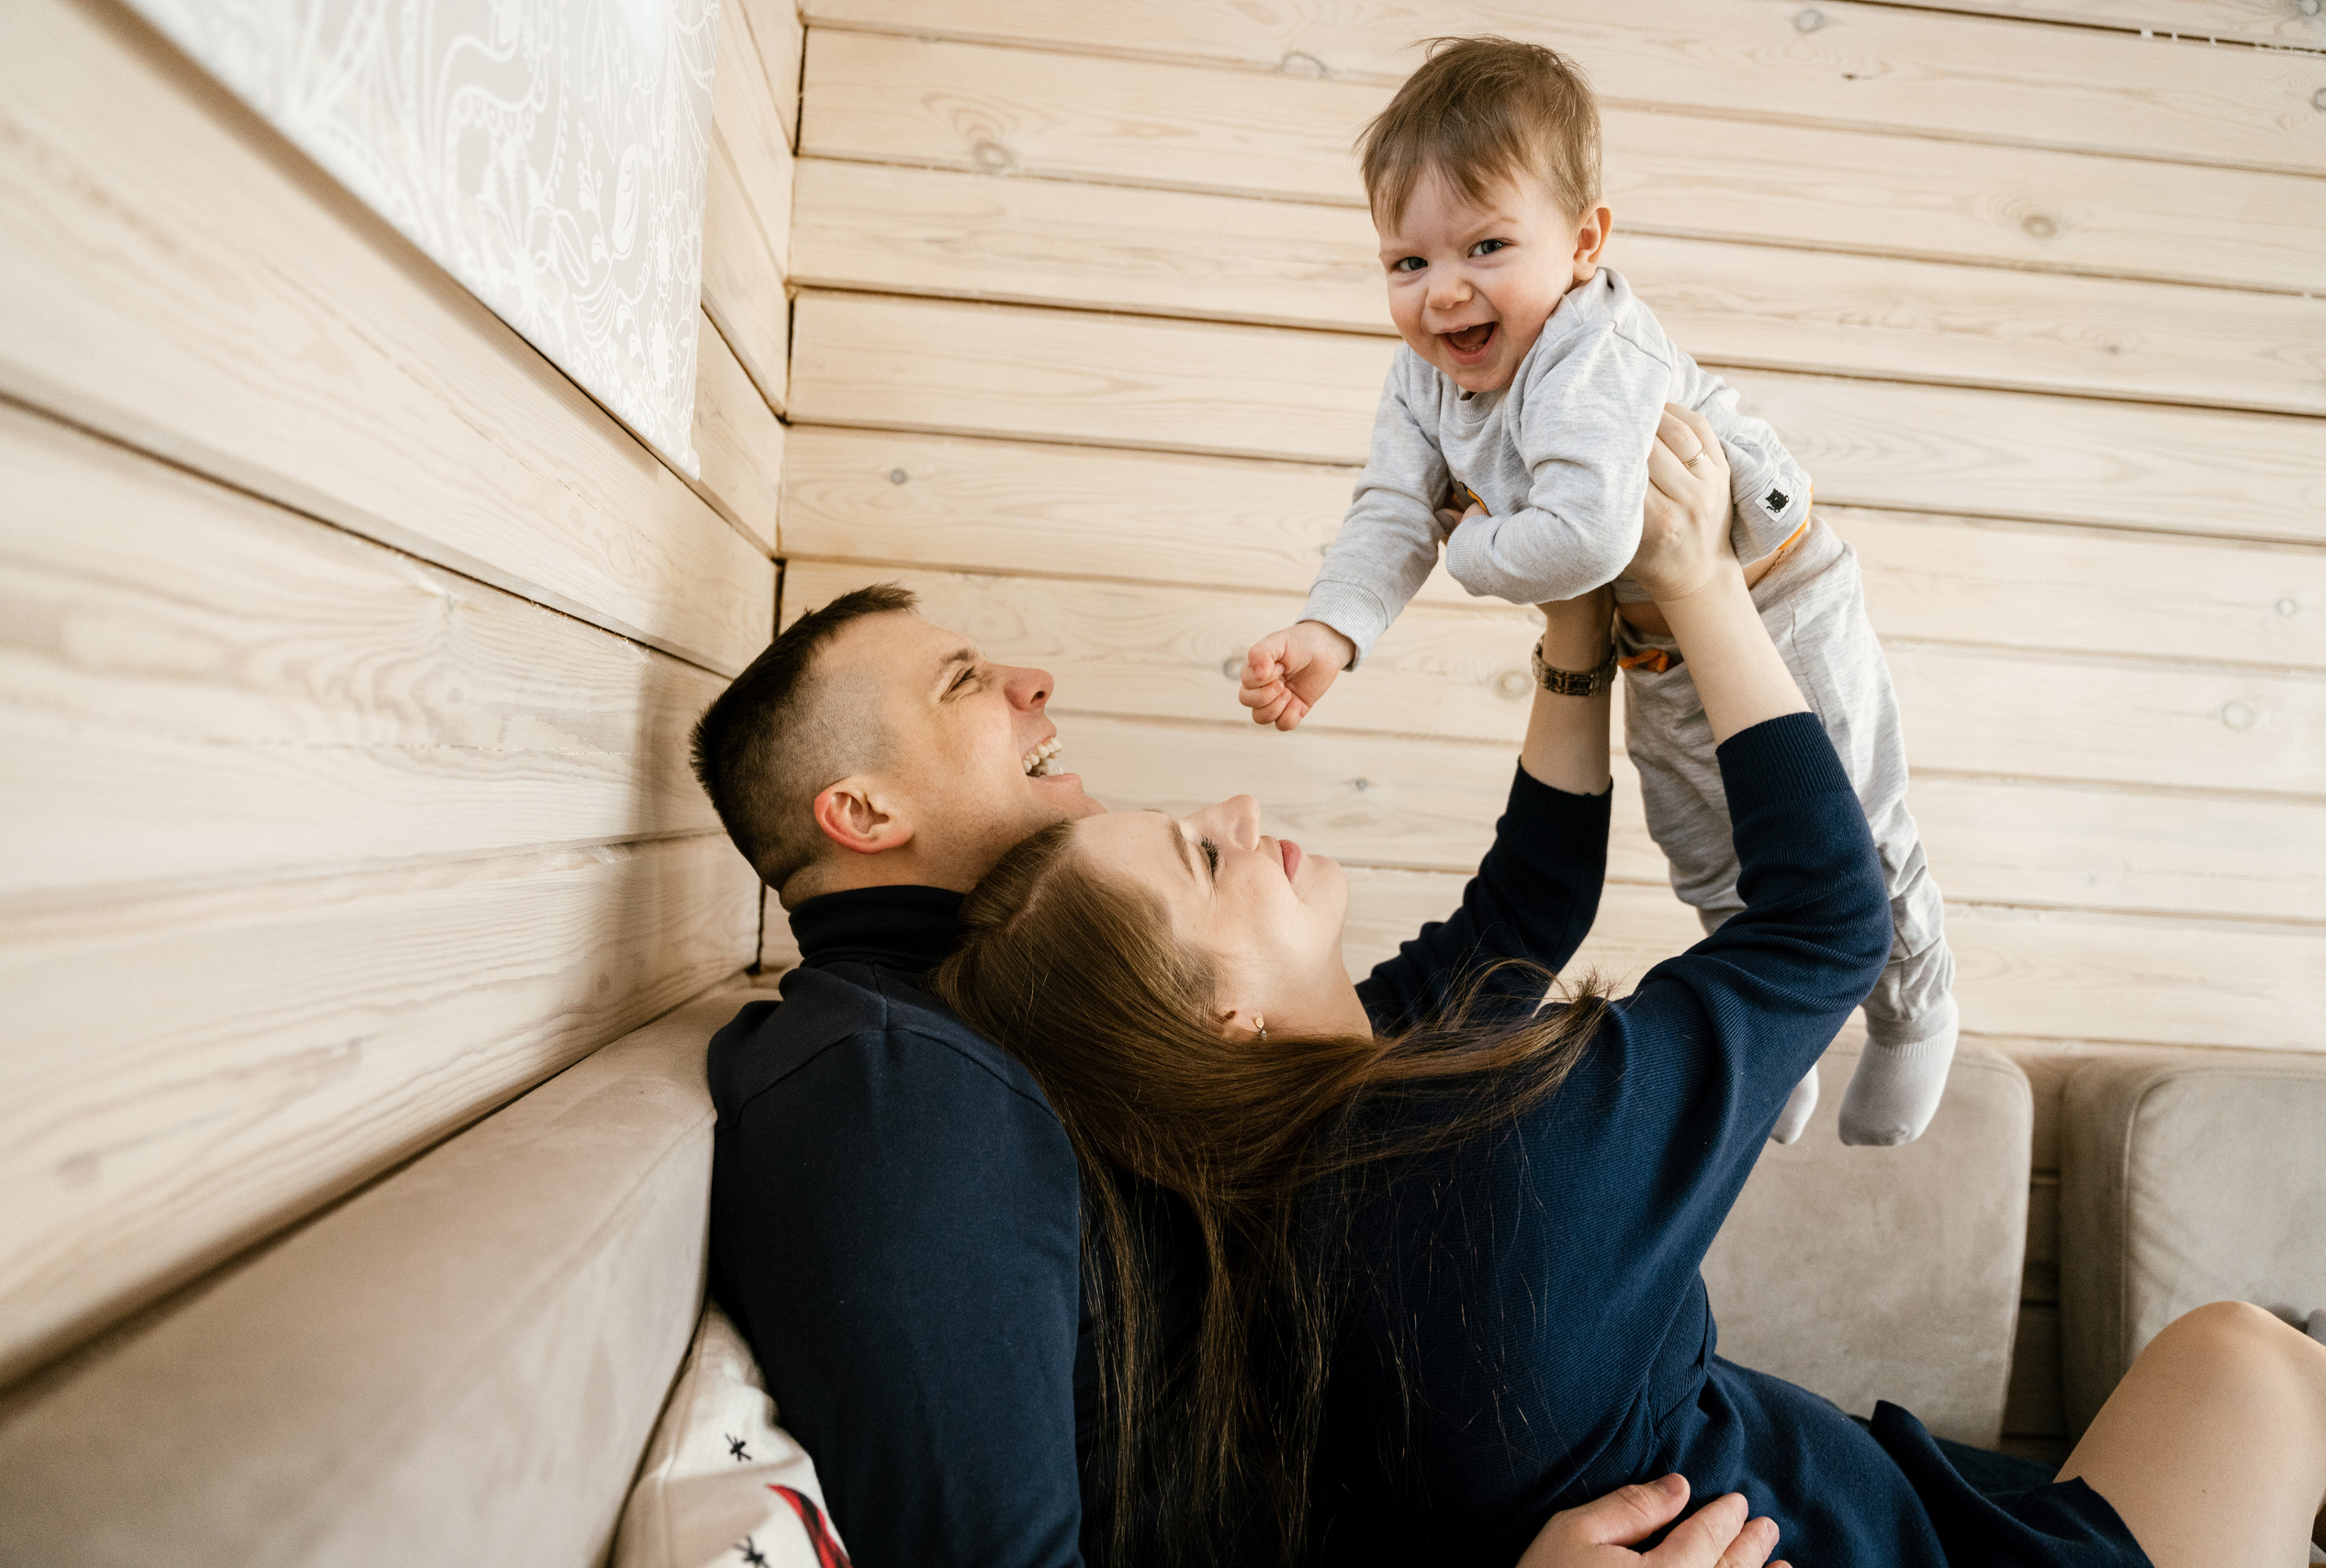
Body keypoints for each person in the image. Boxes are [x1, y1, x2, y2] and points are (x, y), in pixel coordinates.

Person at [938, 406, 2326, 1567]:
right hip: (1906, 1545)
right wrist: (1703, 582)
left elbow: (1526, 909)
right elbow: (1827, 927)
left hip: (1873, 1487)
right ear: (1219, 1021)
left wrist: (1577, 627)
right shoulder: (1502, 1162)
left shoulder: (1279, 1172)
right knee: (2250, 1358)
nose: (1241, 810)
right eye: (1200, 855)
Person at [686, 584, 1798, 1565]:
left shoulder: (1039, 996)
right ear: (864, 811)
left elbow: (1514, 924)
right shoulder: (895, 1085)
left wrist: (1575, 632)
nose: (1032, 681)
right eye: (963, 681)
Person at [1235, 36, 1953, 1148]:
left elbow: (1584, 537)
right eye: (1407, 262)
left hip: (1778, 601)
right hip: (1650, 643)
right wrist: (1333, 626)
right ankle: (1777, 1037)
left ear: (1582, 244)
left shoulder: (1593, 349)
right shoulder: (1423, 378)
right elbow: (1392, 507)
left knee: (1846, 822)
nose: (1444, 292)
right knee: (1698, 841)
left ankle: (1913, 1008)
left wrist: (1473, 546)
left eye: (1485, 246)